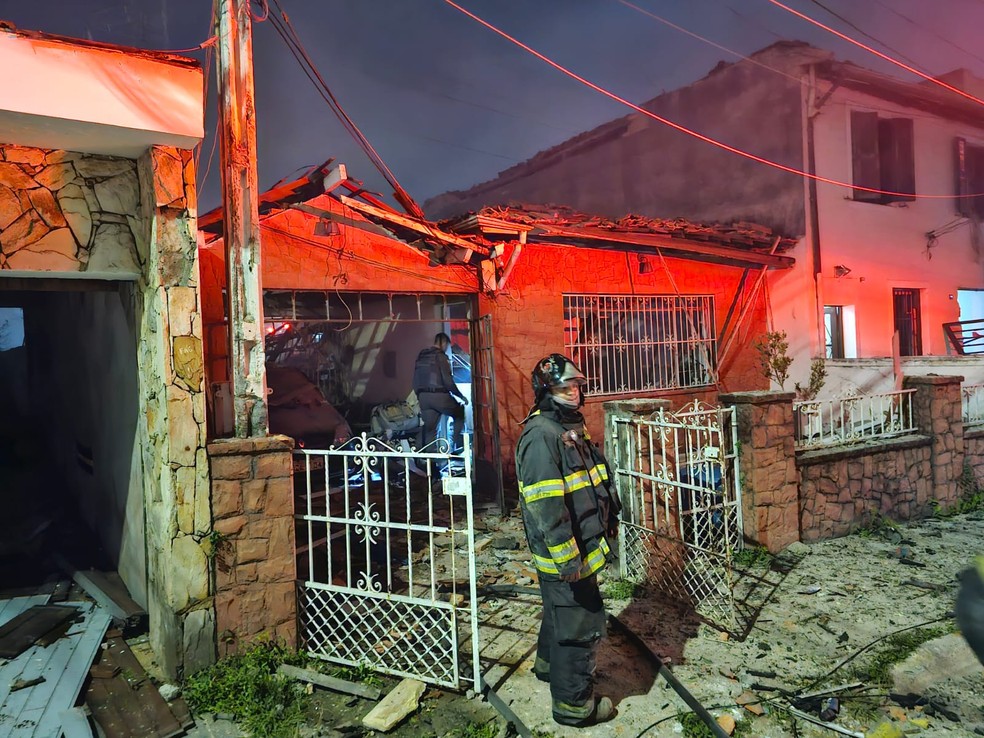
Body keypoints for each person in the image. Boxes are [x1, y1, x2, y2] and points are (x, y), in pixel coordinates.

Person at [515, 353, 621, 727]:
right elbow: (548, 509)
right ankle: (574, 707)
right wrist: (569, 561)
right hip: (568, 558)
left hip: (579, 552)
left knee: (559, 612)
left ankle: (547, 667)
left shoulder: (568, 430)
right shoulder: (542, 437)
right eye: (563, 388)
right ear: (546, 392)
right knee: (580, 625)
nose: (573, 393)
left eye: (576, 386)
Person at [412, 332, 467, 453]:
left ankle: (426, 460)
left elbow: (415, 379)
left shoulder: (423, 356)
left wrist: (420, 396)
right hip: (440, 396)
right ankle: (456, 448)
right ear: (443, 343)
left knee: (429, 429)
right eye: (447, 345)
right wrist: (461, 396)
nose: (447, 348)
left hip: (423, 397)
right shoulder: (441, 357)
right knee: (459, 413)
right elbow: (448, 382)